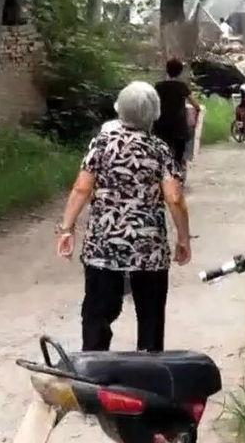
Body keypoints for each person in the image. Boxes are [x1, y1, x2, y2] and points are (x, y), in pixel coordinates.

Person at [56, 81, 191, 353]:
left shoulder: (101, 143)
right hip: (148, 251)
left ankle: (94, 367)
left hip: (103, 247)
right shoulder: (159, 149)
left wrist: (66, 228)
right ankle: (149, 369)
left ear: (120, 109)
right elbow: (174, 198)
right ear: (154, 114)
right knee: (151, 319)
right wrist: (183, 239)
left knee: (97, 315)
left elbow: (82, 188)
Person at [154, 58, 200, 167]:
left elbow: (152, 103)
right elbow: (196, 106)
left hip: (161, 126)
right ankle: (179, 168)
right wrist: (196, 116)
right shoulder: (182, 86)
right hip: (178, 127)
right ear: (180, 72)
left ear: (167, 70)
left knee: (160, 153)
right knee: (180, 154)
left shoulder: (158, 86)